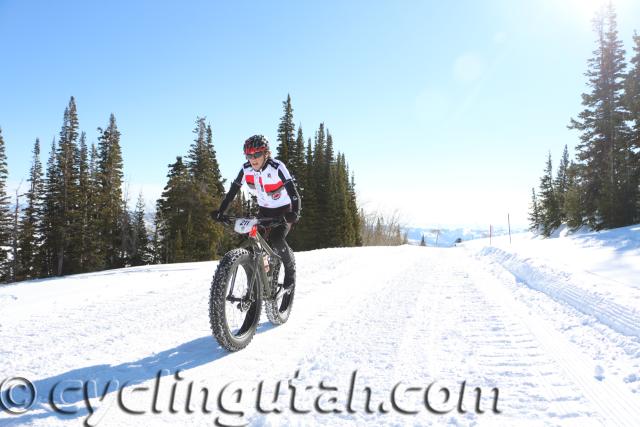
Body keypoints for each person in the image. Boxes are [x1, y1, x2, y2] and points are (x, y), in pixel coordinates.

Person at [214, 134, 301, 290]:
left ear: (266, 153)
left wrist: (294, 212)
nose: (253, 158)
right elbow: (233, 192)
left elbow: (294, 194)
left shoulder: (277, 167)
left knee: (276, 237)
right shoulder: (246, 169)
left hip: (283, 210)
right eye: (249, 155)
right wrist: (221, 211)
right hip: (264, 211)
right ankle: (257, 282)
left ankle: (290, 269)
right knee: (253, 241)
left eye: (257, 154)